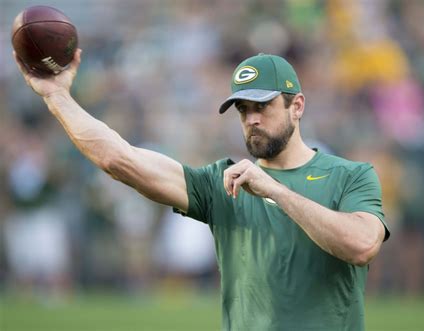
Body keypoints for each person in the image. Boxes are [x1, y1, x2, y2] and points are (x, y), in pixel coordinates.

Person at [14, 50, 390, 330]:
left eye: (263, 105)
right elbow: (119, 159)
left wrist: (277, 191)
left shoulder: (350, 175)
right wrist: (56, 96)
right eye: (242, 109)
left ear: (297, 106)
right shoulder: (221, 182)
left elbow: (361, 245)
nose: (252, 119)